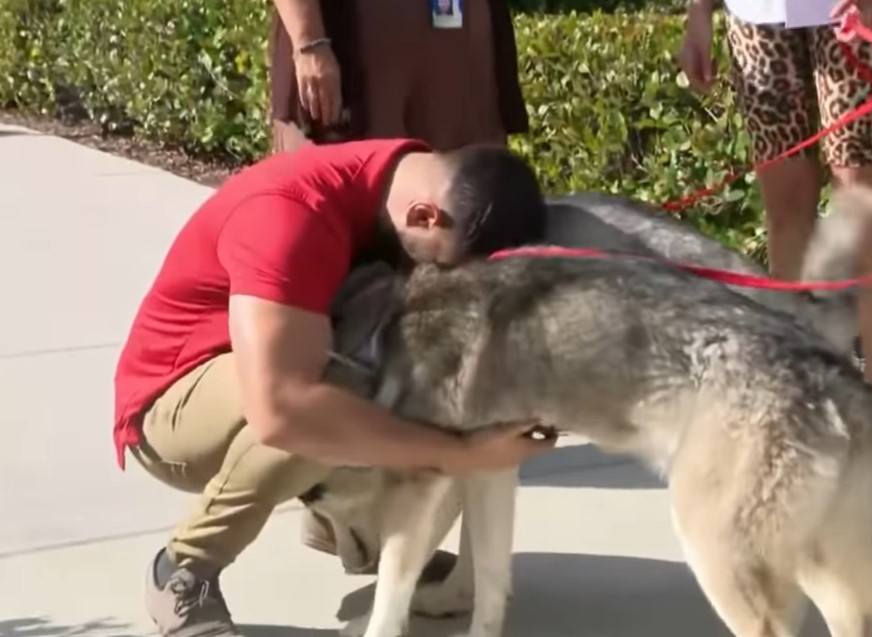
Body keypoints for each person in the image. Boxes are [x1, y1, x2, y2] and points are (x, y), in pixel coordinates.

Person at [113, 138, 555, 636]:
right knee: (329, 400)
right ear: (425, 216)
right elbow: (281, 410)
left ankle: (349, 532)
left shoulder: (412, 181)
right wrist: (461, 454)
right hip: (171, 407)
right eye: (448, 267)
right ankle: (183, 568)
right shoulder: (287, 219)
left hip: (288, 363)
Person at [677, 0, 872, 404]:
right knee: (786, 208)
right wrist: (699, 13)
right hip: (757, 14)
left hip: (850, 12)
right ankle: (806, 403)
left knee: (863, 209)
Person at [267, 0, 528, 152]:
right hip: (359, 56)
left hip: (458, 54)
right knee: (344, 197)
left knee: (464, 203)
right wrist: (309, 42)